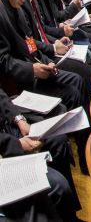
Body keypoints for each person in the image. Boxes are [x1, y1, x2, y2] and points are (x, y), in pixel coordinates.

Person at [0, 88, 81, 221]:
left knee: (56, 140)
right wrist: (16, 145)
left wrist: (19, 120)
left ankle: (71, 215)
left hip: (5, 128)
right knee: (57, 185)